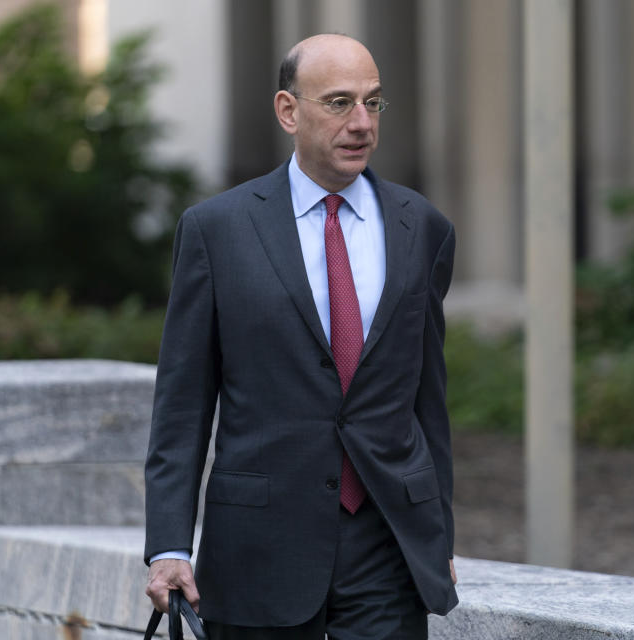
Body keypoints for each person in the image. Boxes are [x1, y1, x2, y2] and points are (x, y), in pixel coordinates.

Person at [144, 33, 457, 639]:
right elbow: (182, 405)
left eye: (374, 103)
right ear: (289, 110)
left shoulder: (423, 228)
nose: (362, 123)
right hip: (258, 550)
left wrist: (437, 533)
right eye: (339, 103)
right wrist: (168, 545)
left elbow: (428, 401)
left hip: (387, 547)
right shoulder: (217, 230)